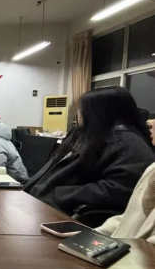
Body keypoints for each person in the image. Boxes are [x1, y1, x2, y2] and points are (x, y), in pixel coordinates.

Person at [25, 87, 155, 220]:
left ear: (98, 112)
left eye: (82, 109)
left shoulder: (128, 143)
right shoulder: (86, 135)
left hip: (65, 210)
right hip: (40, 201)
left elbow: (120, 189)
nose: (79, 113)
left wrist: (61, 194)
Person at [98, 123, 155, 244]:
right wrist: (91, 234)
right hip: (125, 248)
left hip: (138, 254)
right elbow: (130, 219)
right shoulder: (152, 169)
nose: (150, 123)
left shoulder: (129, 142)